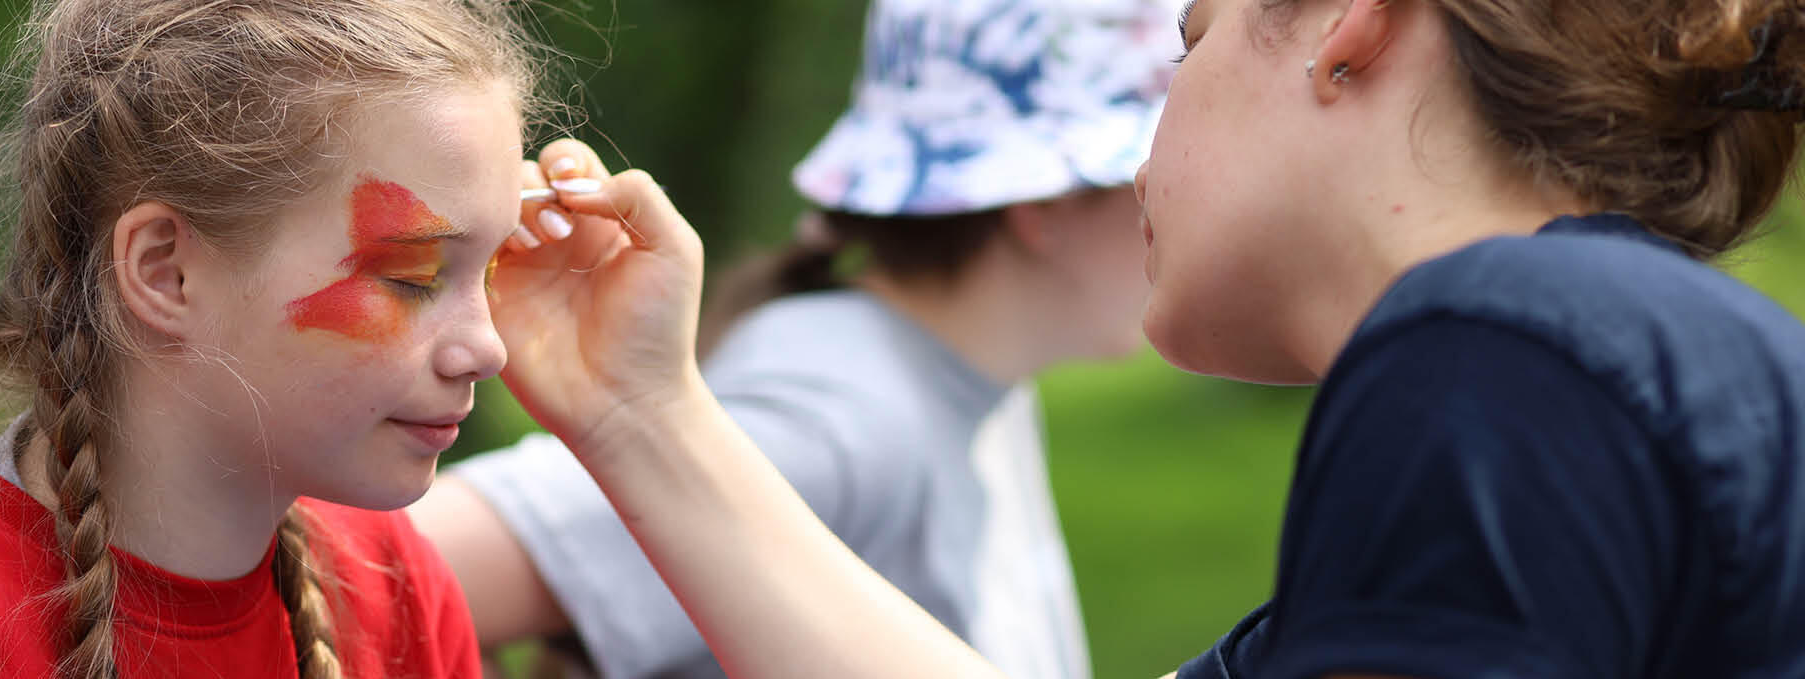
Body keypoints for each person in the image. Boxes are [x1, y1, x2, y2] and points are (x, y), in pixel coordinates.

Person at [473, 0, 1805, 677]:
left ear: (1345, 27)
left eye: (1191, 37)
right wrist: (644, 411)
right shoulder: (1570, 360)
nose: (1153, 139)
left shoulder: (1497, 350)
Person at [0, 1, 698, 677]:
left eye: (489, 272)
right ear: (165, 269)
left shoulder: (394, 588)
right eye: (412, 276)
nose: (486, 348)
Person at [408, 1, 1178, 677]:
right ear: (1042, 203)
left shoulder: (972, 377)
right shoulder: (847, 409)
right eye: (1143, 169)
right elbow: (383, 558)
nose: (1169, 200)